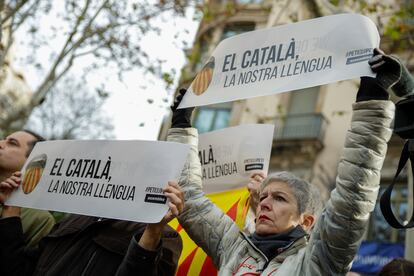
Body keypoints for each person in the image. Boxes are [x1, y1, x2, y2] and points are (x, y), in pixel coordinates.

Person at [166, 48, 402, 275]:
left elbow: (352, 197)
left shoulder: (318, 259)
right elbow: (187, 198)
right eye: (264, 196)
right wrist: (181, 125)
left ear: (306, 220)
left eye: (279, 198)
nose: (264, 204)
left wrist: (373, 98)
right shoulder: (233, 249)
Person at [0, 175, 184, 275]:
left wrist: (153, 230)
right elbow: (17, 269)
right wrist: (11, 208)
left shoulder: (165, 236)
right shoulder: (74, 220)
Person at [0, 130, 55, 247]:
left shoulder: (40, 220)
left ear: (32, 161)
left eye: (12, 143)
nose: (1, 143)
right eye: (4, 139)